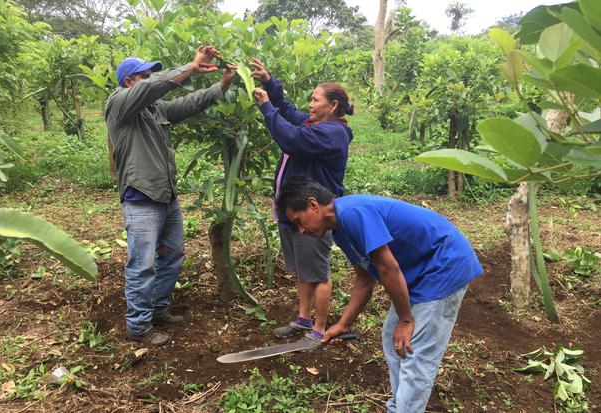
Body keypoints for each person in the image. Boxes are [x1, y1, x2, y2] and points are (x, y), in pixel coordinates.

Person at [276, 175, 483, 413]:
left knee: (416, 353)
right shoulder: (339, 228)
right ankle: (399, 406)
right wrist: (343, 324)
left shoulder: (353, 213)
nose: (301, 231)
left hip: (444, 265)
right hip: (420, 272)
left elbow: (388, 268)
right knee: (391, 337)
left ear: (313, 205)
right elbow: (365, 279)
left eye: (299, 221)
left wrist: (406, 320)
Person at [105, 47, 237, 346]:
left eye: (151, 74)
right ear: (129, 82)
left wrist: (224, 83)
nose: (151, 79)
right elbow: (157, 86)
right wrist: (189, 67)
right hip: (141, 196)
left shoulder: (156, 110)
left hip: (166, 195)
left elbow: (189, 103)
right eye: (145, 75)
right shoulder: (118, 104)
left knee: (173, 256)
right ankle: (139, 326)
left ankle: (158, 309)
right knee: (142, 264)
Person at [250, 58, 354, 342]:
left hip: (314, 214)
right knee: (304, 269)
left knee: (318, 272)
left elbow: (291, 138)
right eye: (310, 98)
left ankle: (319, 330)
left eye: (316, 99)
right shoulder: (314, 123)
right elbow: (288, 111)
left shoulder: (333, 133)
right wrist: (270, 83)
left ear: (333, 106)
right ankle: (303, 319)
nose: (310, 103)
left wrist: (265, 108)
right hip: (296, 211)